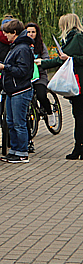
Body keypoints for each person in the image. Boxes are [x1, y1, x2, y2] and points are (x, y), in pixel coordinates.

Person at [42, 13, 83, 159]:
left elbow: (69, 59)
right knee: (78, 116)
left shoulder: (78, 37)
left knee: (79, 116)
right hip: (77, 83)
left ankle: (79, 148)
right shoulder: (72, 38)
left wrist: (70, 58)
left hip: (80, 83)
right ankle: (79, 147)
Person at [0, 19, 34, 163]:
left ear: (14, 33)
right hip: (12, 90)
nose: (5, 36)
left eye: (7, 34)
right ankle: (15, 150)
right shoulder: (16, 46)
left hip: (20, 90)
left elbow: (23, 70)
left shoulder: (22, 48)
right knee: (11, 121)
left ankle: (22, 152)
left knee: (19, 122)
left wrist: (5, 68)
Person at [26, 22, 54, 141]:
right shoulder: (23, 45)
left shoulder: (40, 45)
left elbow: (47, 59)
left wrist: (41, 61)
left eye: (33, 32)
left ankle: (49, 112)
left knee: (42, 95)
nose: (31, 34)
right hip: (27, 76)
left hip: (40, 75)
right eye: (28, 32)